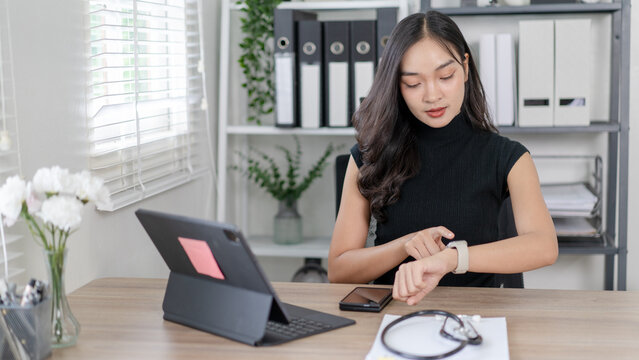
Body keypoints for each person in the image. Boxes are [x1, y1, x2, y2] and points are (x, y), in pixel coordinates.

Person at [328, 11, 558, 305]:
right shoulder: (368, 156)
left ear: (464, 66)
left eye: (445, 76)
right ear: (396, 86)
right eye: (413, 83)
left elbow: (544, 246)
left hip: (476, 320)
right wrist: (406, 246)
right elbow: (339, 269)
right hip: (396, 316)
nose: (432, 95)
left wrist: (452, 258)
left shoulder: (509, 156)